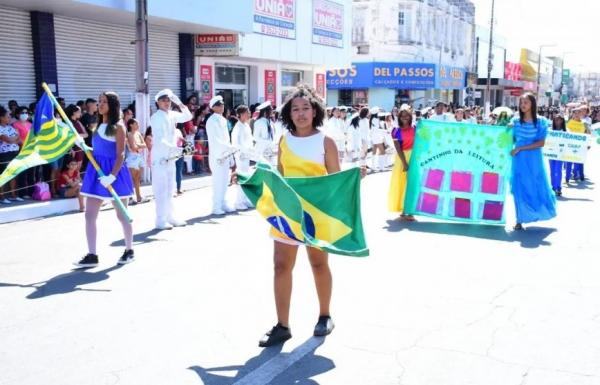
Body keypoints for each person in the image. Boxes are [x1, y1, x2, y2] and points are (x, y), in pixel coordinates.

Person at [258, 85, 342, 347]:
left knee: (318, 264)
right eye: (295, 109)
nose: (301, 113)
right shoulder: (284, 140)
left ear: (315, 110)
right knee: (281, 266)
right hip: (288, 214)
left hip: (316, 215)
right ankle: (282, 325)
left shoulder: (326, 141)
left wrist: (354, 177)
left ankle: (325, 315)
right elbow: (280, 175)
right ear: (289, 113)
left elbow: (336, 181)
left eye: (306, 108)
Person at [75, 91, 135, 267]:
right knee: (89, 215)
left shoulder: (119, 126)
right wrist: (84, 146)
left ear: (112, 105)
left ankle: (129, 250)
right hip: (96, 173)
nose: (100, 105)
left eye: (104, 102)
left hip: (113, 174)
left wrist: (112, 176)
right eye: (99, 101)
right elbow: (98, 152)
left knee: (122, 215)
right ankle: (92, 255)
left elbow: (121, 154)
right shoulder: (98, 126)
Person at [509, 93, 556, 231]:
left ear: (532, 105)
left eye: (526, 102)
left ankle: (539, 212)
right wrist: (504, 128)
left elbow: (541, 143)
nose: (523, 105)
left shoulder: (541, 122)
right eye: (521, 102)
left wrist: (521, 148)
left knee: (535, 186)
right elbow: (509, 139)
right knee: (519, 187)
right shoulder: (515, 121)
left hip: (534, 160)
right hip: (518, 160)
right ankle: (519, 219)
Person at [149, 89, 191, 229]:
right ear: (158, 102)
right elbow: (160, 139)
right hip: (160, 157)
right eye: (163, 100)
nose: (167, 103)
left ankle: (170, 217)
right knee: (161, 190)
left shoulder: (172, 114)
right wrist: (176, 149)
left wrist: (178, 101)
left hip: (171, 157)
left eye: (168, 100)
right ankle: (160, 220)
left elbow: (188, 116)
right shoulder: (156, 117)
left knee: (170, 188)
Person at [205, 95, 236, 215]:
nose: (222, 107)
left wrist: (231, 156)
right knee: (218, 182)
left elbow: (227, 139)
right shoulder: (211, 121)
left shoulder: (223, 120)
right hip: (217, 156)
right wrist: (228, 148)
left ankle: (223, 202)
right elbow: (215, 140)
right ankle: (216, 206)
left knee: (224, 181)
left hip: (226, 154)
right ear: (213, 107)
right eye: (219, 105)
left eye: (222, 104)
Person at [389, 109, 416, 220]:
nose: (405, 118)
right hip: (402, 158)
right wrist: (404, 163)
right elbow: (398, 148)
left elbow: (425, 137)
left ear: (410, 117)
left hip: (414, 156)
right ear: (399, 118)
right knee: (402, 183)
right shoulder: (396, 131)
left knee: (412, 183)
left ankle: (410, 210)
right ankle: (403, 209)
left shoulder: (415, 128)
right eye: (402, 116)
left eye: (407, 116)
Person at [230, 104, 254, 210]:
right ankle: (238, 202)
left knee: (246, 178)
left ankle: (244, 199)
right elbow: (236, 144)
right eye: (246, 112)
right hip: (241, 156)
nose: (248, 114)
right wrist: (244, 152)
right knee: (241, 178)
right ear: (240, 114)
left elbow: (249, 141)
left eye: (248, 112)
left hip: (247, 155)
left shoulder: (246, 125)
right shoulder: (237, 127)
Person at [0, 106, 23, 203]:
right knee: (3, 175)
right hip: (4, 154)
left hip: (14, 153)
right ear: (1, 117)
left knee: (13, 174)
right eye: (7, 116)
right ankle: (2, 197)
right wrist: (15, 137)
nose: (9, 118)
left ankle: (14, 194)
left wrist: (15, 138)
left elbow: (20, 140)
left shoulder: (10, 127)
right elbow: (8, 140)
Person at [12, 106, 35, 199]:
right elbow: (18, 138)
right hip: (21, 150)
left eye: (26, 112)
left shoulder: (30, 124)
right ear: (17, 114)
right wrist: (25, 146)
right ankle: (23, 192)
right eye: (22, 113)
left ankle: (31, 191)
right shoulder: (15, 125)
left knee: (31, 172)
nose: (25, 114)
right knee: (22, 172)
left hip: (31, 150)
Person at [125, 118, 147, 204]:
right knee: (130, 179)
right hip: (131, 157)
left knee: (137, 178)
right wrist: (138, 146)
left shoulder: (138, 133)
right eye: (136, 124)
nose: (138, 125)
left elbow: (144, 145)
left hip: (139, 156)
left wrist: (137, 145)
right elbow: (132, 148)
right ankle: (129, 198)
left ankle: (138, 197)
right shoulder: (129, 134)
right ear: (131, 125)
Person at [565, 106, 589, 182]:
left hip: (580, 146)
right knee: (569, 162)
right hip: (570, 145)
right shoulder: (569, 123)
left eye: (579, 113)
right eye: (575, 113)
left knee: (577, 161)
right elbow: (565, 133)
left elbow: (588, 134)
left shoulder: (584, 123)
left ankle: (576, 175)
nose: (577, 115)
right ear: (572, 114)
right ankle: (567, 177)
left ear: (581, 114)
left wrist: (588, 144)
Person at [549, 115, 566, 196]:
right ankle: (553, 186)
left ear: (562, 121)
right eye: (556, 120)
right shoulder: (550, 131)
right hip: (551, 154)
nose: (558, 122)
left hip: (560, 154)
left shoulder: (565, 132)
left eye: (559, 120)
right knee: (552, 170)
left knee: (558, 170)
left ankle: (558, 187)